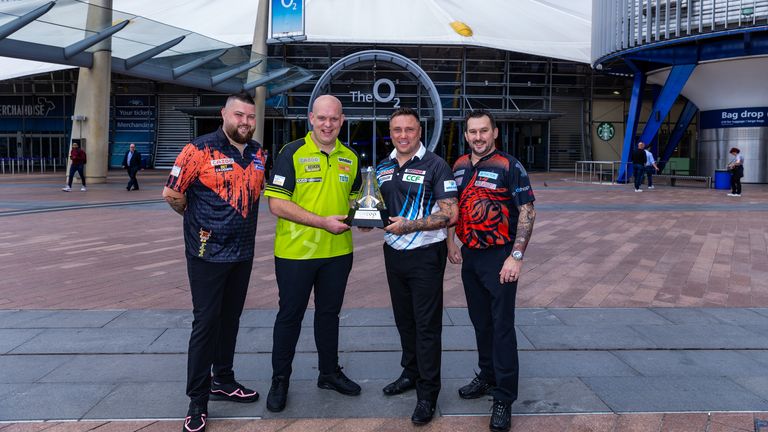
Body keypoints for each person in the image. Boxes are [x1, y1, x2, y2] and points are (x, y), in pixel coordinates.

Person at [162, 92, 266, 432]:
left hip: (242, 253)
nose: (245, 122)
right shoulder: (199, 149)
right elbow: (172, 193)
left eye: (250, 117)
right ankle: (197, 400)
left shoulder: (258, 153)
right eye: (239, 115)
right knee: (206, 322)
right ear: (224, 114)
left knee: (231, 319)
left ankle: (223, 379)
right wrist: (198, 221)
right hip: (207, 254)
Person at [263, 94, 363, 413]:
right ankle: (280, 380)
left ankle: (329, 373)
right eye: (322, 118)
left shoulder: (351, 157)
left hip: (337, 253)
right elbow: (277, 204)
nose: (328, 124)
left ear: (342, 120)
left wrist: (364, 218)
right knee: (290, 317)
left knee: (329, 315)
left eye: (334, 118)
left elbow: (355, 201)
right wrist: (321, 222)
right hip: (295, 253)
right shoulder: (291, 152)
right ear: (311, 118)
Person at [446, 110, 535, 432]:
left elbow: (527, 211)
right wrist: (450, 244)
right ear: (466, 134)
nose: (478, 137)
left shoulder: (510, 166)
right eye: (473, 132)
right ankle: (486, 376)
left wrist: (516, 256)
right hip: (471, 257)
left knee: (501, 328)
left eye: (484, 131)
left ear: (494, 133)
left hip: (500, 257)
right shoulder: (458, 167)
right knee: (481, 324)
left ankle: (504, 397)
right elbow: (451, 208)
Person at [376, 107, 458, 425]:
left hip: (426, 254)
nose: (403, 135)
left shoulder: (436, 165)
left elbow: (449, 213)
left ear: (419, 131)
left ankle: (428, 393)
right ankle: (410, 373)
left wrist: (410, 226)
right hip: (393, 254)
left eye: (409, 129)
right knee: (404, 321)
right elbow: (382, 208)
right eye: (397, 130)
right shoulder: (383, 167)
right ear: (391, 132)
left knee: (427, 327)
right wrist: (370, 220)